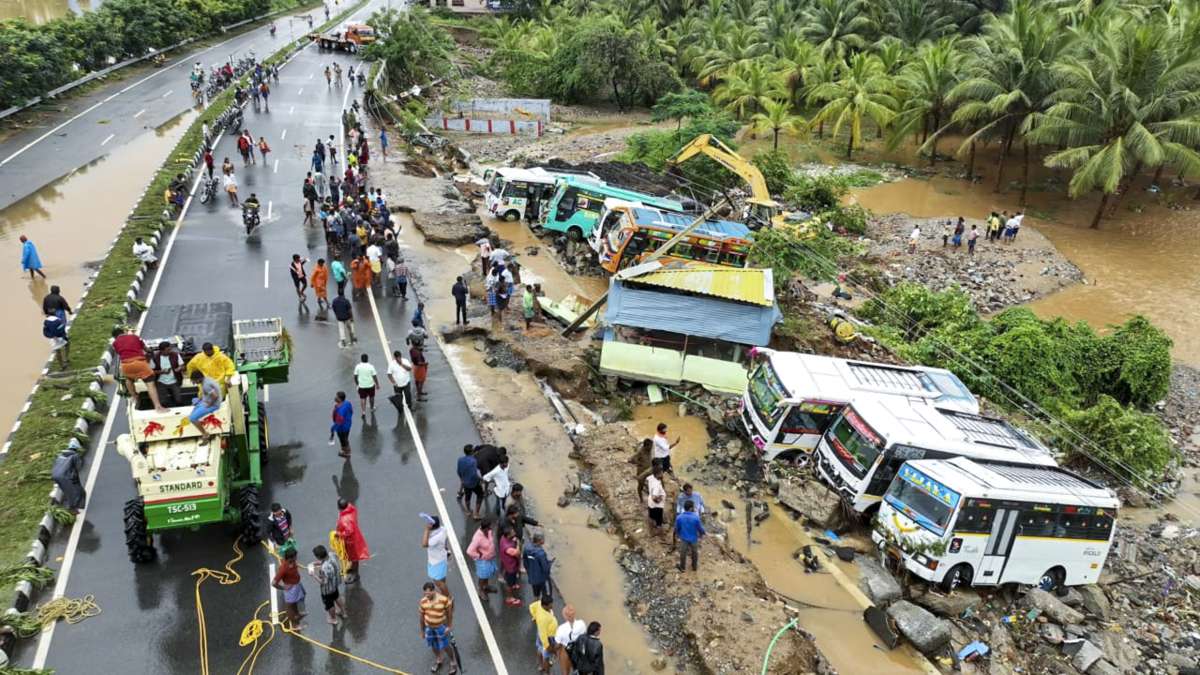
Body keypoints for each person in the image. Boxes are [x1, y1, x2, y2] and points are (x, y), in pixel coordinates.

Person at [112, 327, 169, 413]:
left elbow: (120, 353)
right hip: (139, 363)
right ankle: (158, 407)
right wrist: (150, 351)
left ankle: (135, 397)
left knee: (129, 380)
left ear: (115, 337)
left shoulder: (115, 343)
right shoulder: (134, 337)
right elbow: (146, 349)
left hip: (126, 365)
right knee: (150, 385)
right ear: (124, 331)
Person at [418, 581, 456, 674]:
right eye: (425, 593)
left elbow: (449, 613)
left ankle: (453, 662)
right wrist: (422, 631)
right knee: (433, 644)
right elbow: (421, 617)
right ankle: (439, 659)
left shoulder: (443, 600)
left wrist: (449, 626)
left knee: (446, 645)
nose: (427, 595)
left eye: (428, 593)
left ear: (434, 591)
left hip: (440, 627)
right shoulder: (423, 601)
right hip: (429, 628)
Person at [309, 545, 346, 626]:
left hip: (327, 590)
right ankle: (343, 612)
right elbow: (331, 560)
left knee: (330, 605)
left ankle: (333, 619)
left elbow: (323, 582)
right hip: (335, 584)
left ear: (318, 556)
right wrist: (319, 563)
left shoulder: (324, 568)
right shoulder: (331, 555)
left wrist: (313, 575)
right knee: (337, 597)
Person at [336, 498, 369, 582]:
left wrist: (339, 534)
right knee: (352, 557)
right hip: (355, 537)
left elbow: (348, 531)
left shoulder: (345, 519)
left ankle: (355, 575)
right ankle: (352, 569)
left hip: (351, 542)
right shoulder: (351, 509)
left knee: (354, 558)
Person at [272, 548, 306, 629]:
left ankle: (297, 614)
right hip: (291, 590)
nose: (297, 557)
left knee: (295, 603)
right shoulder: (283, 568)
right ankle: (295, 625)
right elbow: (273, 583)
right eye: (295, 556)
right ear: (291, 557)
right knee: (289, 606)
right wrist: (283, 587)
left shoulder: (292, 562)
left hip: (296, 585)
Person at [187, 370, 223, 446]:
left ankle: (205, 434)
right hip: (206, 400)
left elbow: (215, 396)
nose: (195, 383)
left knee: (192, 418)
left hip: (213, 404)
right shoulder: (207, 379)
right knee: (194, 401)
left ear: (199, 378)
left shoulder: (206, 385)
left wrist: (209, 405)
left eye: (195, 381)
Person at [466, 519, 498, 597]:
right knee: (482, 576)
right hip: (483, 561)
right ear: (485, 528)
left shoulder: (488, 531)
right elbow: (469, 551)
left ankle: (486, 586)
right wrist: (479, 555)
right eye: (489, 527)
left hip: (490, 558)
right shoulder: (477, 538)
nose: (491, 529)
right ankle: (481, 590)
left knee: (487, 575)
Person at [422, 515, 452, 598]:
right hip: (442, 558)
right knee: (442, 578)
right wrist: (446, 548)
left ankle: (447, 597)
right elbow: (446, 540)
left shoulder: (435, 538)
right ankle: (444, 593)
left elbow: (424, 544)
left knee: (438, 582)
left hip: (436, 562)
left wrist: (426, 529)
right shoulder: (443, 529)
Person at [529, 593, 559, 673]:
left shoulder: (539, 604)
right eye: (550, 605)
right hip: (548, 637)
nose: (552, 606)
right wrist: (548, 647)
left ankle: (541, 666)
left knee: (539, 649)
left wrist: (535, 617)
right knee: (546, 657)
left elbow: (531, 607)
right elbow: (543, 635)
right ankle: (547, 672)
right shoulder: (543, 619)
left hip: (542, 633)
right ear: (545, 605)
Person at [673, 499, 706, 572]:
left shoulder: (679, 517)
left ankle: (682, 567)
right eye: (693, 507)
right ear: (691, 508)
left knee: (683, 552)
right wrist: (702, 533)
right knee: (694, 552)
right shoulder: (696, 518)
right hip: (693, 538)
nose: (694, 508)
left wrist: (677, 535)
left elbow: (677, 528)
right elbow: (700, 528)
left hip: (684, 538)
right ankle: (694, 567)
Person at [554, 605, 587, 675]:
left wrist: (555, 653)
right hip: (578, 649)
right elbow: (584, 636)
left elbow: (558, 644)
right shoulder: (582, 623)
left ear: (565, 616)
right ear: (574, 614)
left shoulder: (561, 628)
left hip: (566, 651)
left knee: (565, 671)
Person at [51, 449, 86, 513]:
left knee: (67, 491)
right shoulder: (75, 456)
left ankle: (71, 506)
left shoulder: (60, 456)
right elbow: (78, 467)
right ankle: (72, 508)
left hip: (55, 475)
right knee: (74, 492)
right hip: (64, 477)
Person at [152, 341, 184, 406]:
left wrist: (179, 368)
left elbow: (182, 365)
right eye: (168, 350)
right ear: (161, 351)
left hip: (174, 381)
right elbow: (151, 371)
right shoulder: (155, 357)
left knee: (178, 400)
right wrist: (161, 372)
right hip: (161, 382)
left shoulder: (175, 355)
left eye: (170, 349)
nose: (170, 351)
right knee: (163, 402)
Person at [523, 532, 552, 602]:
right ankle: (545, 608)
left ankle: (536, 605)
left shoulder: (527, 548)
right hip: (541, 578)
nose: (544, 540)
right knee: (546, 594)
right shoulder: (541, 553)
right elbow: (545, 568)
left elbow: (525, 562)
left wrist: (529, 571)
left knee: (536, 594)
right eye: (543, 539)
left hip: (532, 577)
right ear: (540, 541)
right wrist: (549, 564)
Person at [499, 525, 523, 607]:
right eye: (512, 532)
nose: (514, 532)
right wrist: (518, 544)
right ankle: (509, 598)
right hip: (511, 567)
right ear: (508, 535)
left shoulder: (503, 538)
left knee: (512, 580)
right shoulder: (508, 548)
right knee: (509, 583)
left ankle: (513, 584)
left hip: (509, 564)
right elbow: (518, 553)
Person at [457, 445, 483, 519]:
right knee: (480, 495)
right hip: (473, 483)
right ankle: (476, 514)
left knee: (467, 497)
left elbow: (458, 471)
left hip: (465, 482)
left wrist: (462, 479)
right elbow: (474, 474)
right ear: (472, 452)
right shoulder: (473, 461)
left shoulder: (460, 460)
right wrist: (480, 480)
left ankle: (468, 510)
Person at [387, 349, 414, 413]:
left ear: (401, 356)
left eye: (399, 357)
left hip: (406, 382)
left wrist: (402, 364)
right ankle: (400, 409)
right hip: (397, 385)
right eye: (397, 358)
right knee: (399, 398)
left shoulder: (405, 361)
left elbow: (409, 369)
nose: (398, 359)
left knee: (408, 395)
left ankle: (410, 406)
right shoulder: (392, 364)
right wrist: (393, 382)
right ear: (395, 358)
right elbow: (389, 374)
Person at [330, 391, 353, 458]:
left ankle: (347, 453)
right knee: (345, 438)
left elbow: (338, 422)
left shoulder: (340, 410)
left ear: (340, 399)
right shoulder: (347, 403)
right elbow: (351, 411)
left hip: (342, 428)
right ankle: (346, 450)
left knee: (343, 440)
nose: (335, 398)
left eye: (336, 397)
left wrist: (332, 429)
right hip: (348, 424)